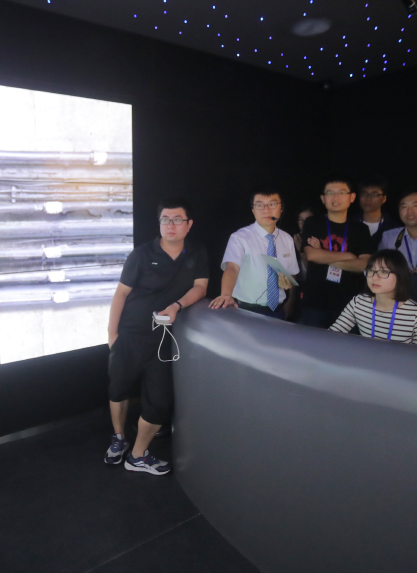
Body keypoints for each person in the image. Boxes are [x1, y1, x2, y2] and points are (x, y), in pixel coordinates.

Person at [105, 197, 209, 474]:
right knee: (119, 389)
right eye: (165, 220)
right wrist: (113, 334)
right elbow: (121, 294)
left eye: (177, 220)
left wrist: (176, 306)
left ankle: (137, 455)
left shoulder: (197, 252)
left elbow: (200, 287)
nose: (170, 225)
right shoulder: (141, 254)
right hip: (130, 334)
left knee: (159, 402)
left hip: (165, 340)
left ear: (189, 224)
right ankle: (119, 438)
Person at [210, 187, 299, 319]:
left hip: (278, 311)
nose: (266, 210)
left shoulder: (287, 239)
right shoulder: (240, 237)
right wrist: (226, 295)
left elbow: (292, 272)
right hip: (246, 311)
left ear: (281, 209)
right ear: (253, 210)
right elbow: (232, 268)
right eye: (260, 205)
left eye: (272, 204)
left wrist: (291, 295)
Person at [300, 176, 375, 327]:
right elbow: (312, 255)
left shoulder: (361, 229)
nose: (335, 197)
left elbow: (364, 265)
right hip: (315, 303)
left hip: (350, 304)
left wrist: (323, 255)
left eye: (341, 192)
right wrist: (349, 256)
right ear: (323, 198)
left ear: (352, 197)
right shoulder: (313, 223)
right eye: (330, 193)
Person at [330, 249, 417, 346]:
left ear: (400, 276)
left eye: (384, 272)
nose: (374, 277)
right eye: (371, 271)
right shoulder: (358, 302)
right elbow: (333, 334)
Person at [353, 174, 401, 247]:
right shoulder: (349, 224)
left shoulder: (394, 228)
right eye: (364, 194)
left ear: (384, 198)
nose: (368, 198)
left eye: (374, 194)